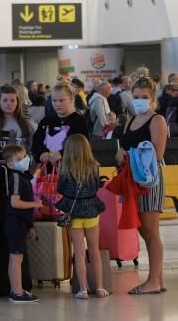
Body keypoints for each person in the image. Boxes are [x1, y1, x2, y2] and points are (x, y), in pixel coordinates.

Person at [116, 76, 167, 294]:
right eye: (136, 97)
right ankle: (159, 279)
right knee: (143, 229)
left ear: (153, 98)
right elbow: (125, 144)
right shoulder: (130, 120)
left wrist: (130, 154)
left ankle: (153, 281)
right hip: (131, 180)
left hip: (148, 180)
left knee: (150, 231)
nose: (139, 101)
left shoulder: (157, 120)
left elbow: (158, 153)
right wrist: (120, 153)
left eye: (144, 97)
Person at [56, 134, 107, 299]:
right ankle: (99, 288)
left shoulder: (64, 168)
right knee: (94, 251)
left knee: (79, 253)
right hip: (91, 211)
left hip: (74, 214)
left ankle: (83, 290)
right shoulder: (94, 166)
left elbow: (60, 189)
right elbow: (94, 187)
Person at [2, 144, 42, 302]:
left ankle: (16, 289)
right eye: (19, 159)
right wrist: (36, 204)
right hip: (15, 223)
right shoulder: (17, 177)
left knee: (16, 258)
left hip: (21, 223)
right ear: (10, 164)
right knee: (16, 258)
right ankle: (17, 292)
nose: (24, 160)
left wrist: (30, 225)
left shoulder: (23, 176)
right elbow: (15, 202)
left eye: (25, 157)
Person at [32, 83, 89, 167]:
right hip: (48, 173)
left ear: (71, 99)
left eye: (61, 100)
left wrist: (62, 154)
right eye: (54, 100)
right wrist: (41, 153)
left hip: (71, 170)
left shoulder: (79, 121)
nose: (57, 104)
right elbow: (36, 142)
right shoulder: (46, 121)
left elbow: (82, 147)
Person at [0, 85, 37, 161]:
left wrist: (31, 171)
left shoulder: (28, 124)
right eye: (5, 100)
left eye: (12, 100)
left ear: (17, 102)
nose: (9, 104)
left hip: (21, 170)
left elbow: (35, 150)